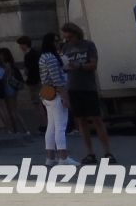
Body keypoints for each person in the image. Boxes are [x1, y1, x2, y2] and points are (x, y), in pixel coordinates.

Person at [60, 22, 113, 163]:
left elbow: (93, 65)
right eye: (66, 38)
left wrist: (79, 66)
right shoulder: (65, 48)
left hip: (88, 87)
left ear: (76, 34)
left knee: (96, 119)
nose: (67, 40)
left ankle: (107, 152)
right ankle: (90, 153)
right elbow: (63, 67)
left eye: (69, 37)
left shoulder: (88, 45)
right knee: (81, 121)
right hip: (73, 87)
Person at [37, 32, 77, 167]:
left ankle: (50, 158)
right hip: (56, 94)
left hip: (47, 94)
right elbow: (57, 80)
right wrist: (65, 98)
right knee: (60, 127)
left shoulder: (44, 57)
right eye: (55, 41)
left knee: (52, 126)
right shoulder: (51, 58)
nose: (58, 42)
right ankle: (63, 157)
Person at [0, 47, 28, 134]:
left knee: (11, 111)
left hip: (7, 87)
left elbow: (4, 78)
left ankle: (20, 130)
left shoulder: (4, 65)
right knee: (12, 110)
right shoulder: (9, 64)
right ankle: (20, 130)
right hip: (12, 88)